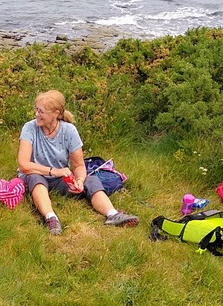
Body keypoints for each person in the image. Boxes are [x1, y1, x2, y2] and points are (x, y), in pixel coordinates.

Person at [18, 90, 138, 235]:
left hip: (60, 178)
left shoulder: (69, 131)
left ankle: (112, 214)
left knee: (91, 180)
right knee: (35, 178)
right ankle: (51, 218)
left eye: (41, 111)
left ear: (56, 113)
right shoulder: (29, 128)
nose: (36, 114)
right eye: (36, 110)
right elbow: (24, 164)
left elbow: (79, 165)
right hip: (35, 174)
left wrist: (79, 180)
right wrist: (54, 171)